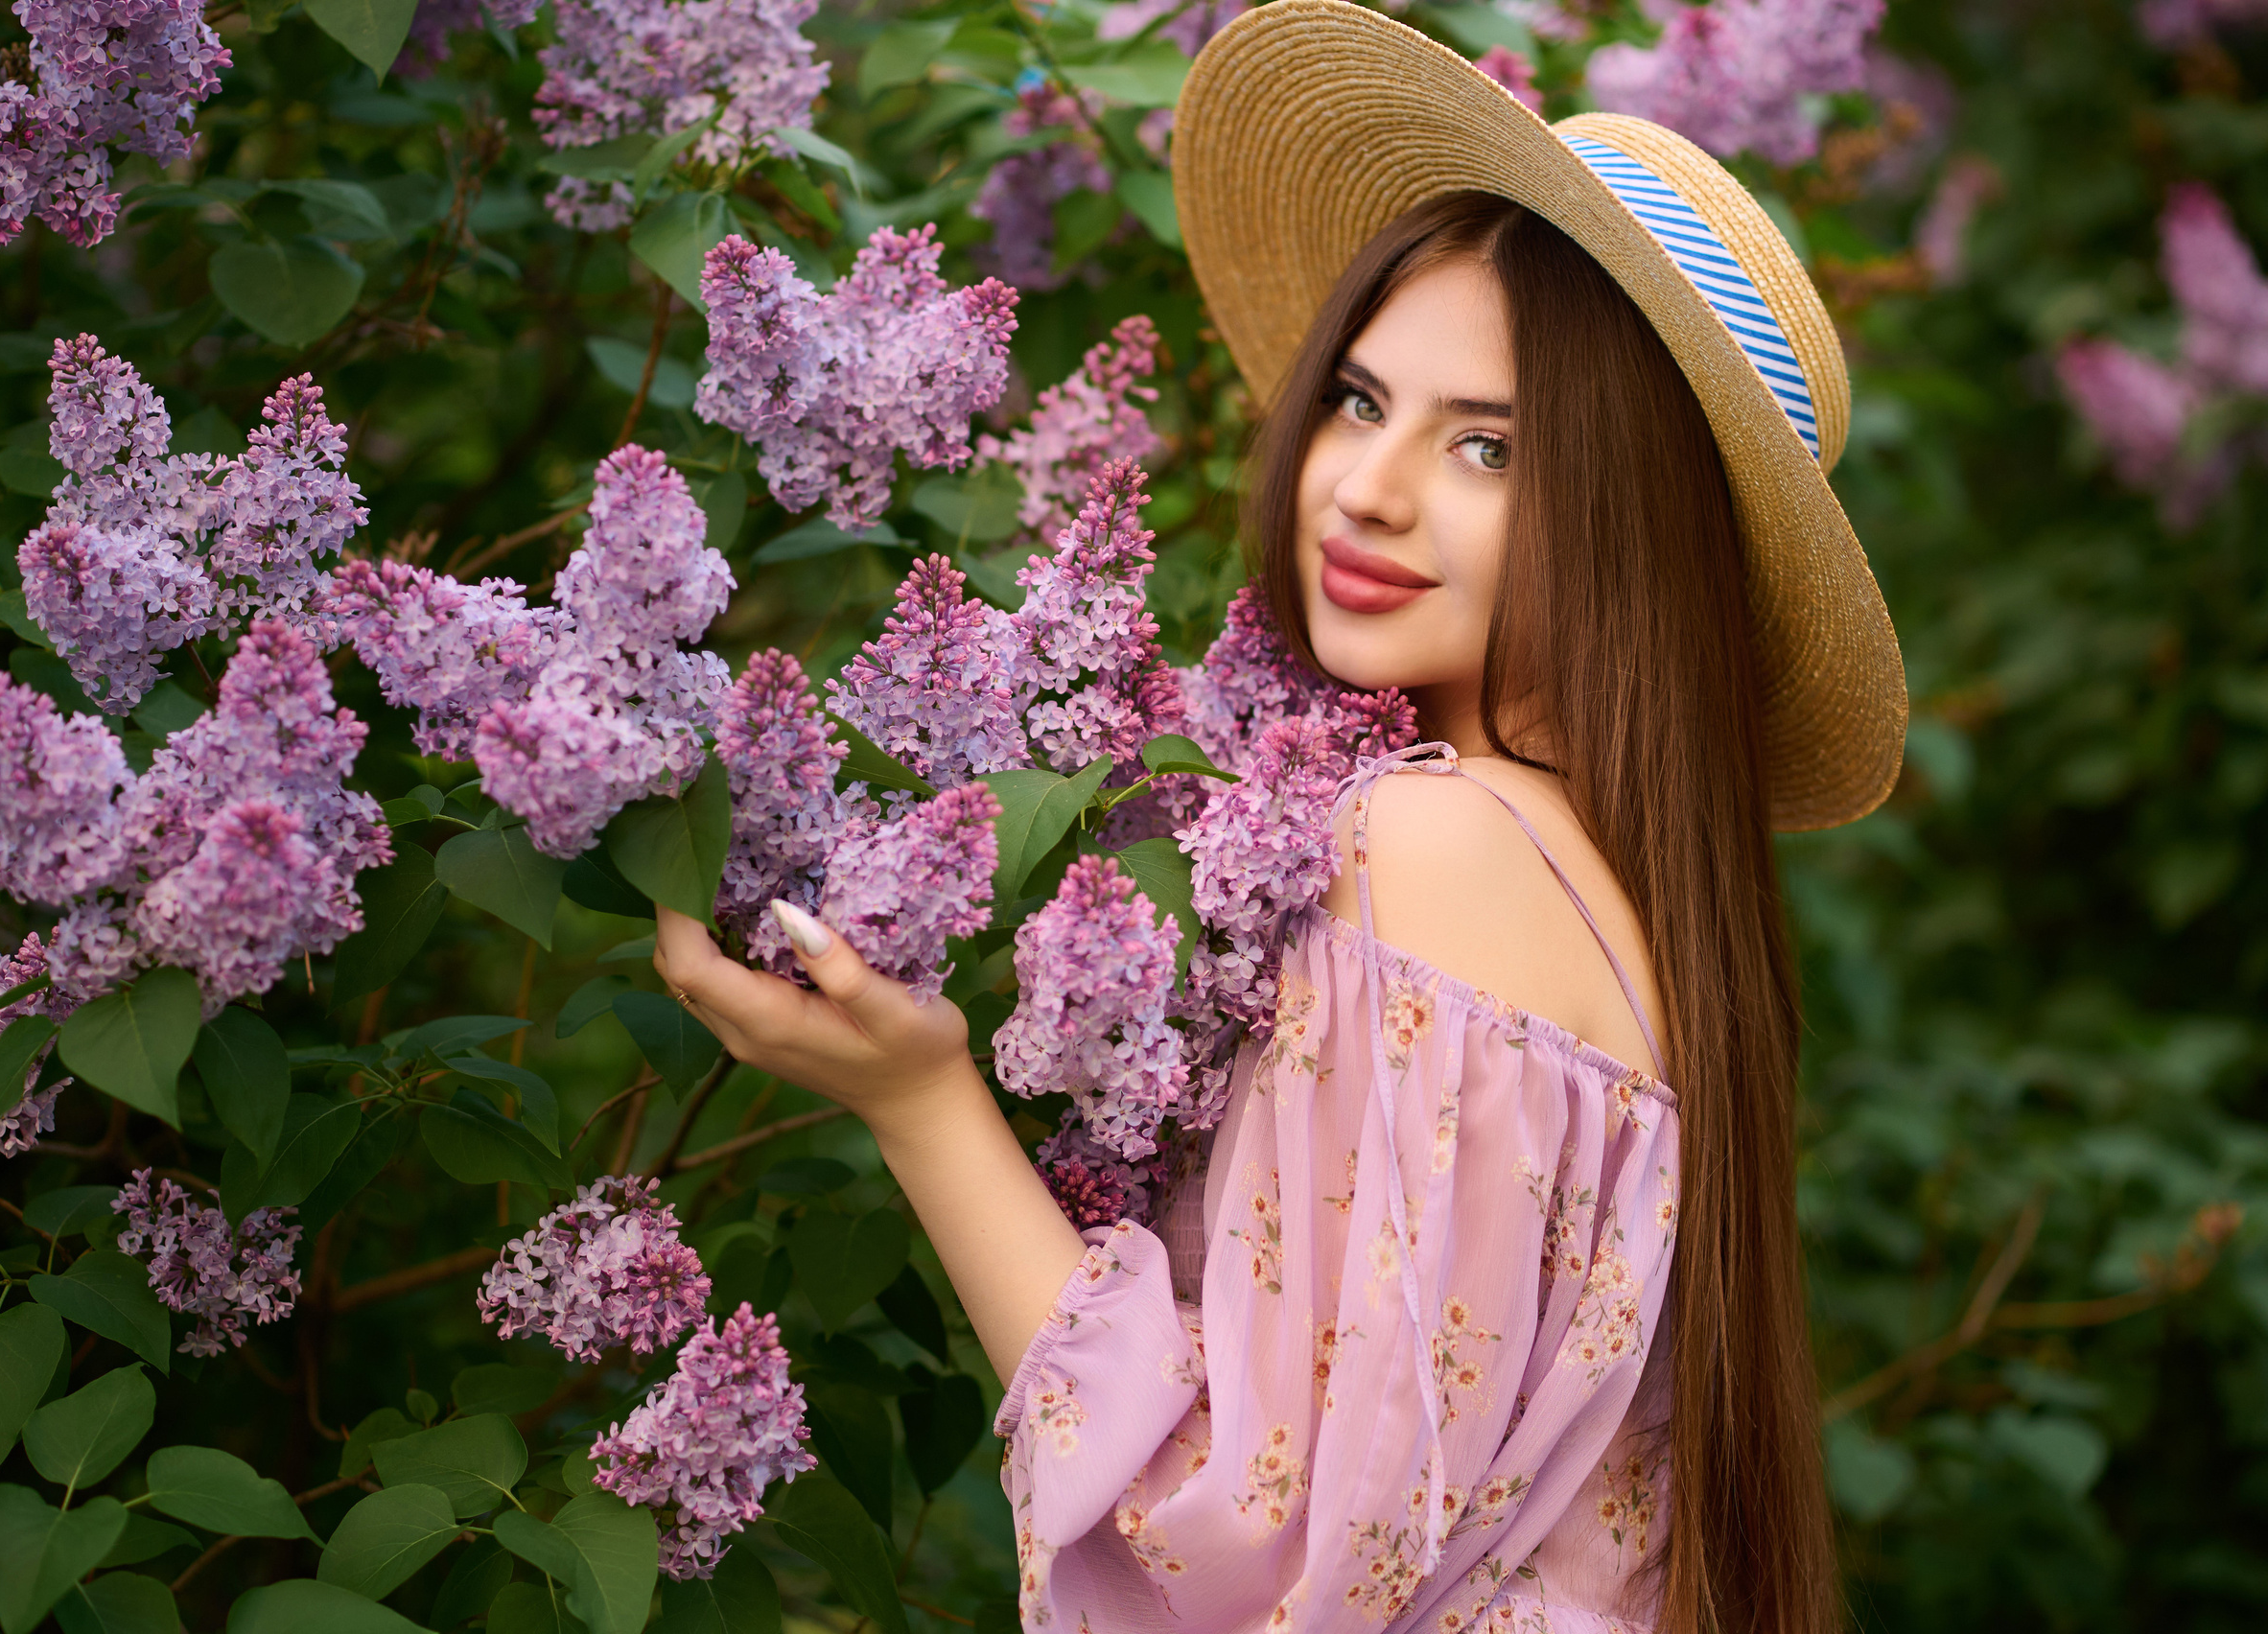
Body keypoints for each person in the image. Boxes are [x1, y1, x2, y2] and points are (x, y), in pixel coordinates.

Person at [654, 2, 1906, 1628]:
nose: (1367, 488)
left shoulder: (1440, 846)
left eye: (1490, 449)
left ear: (1642, 529)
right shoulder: (1637, 907)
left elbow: (1249, 1560)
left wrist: (919, 1097)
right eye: (1363, 403)